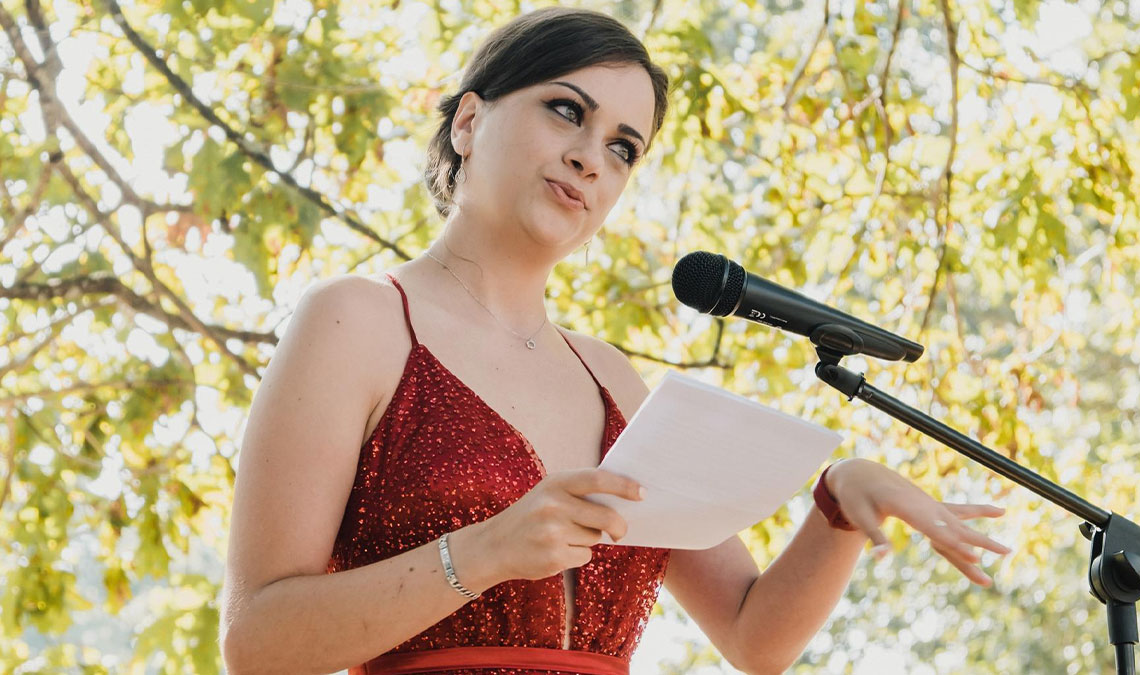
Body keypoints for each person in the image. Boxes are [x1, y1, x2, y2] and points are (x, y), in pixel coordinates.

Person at [219, 8, 1011, 675]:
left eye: (623, 147)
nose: (589, 158)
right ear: (468, 121)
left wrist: (841, 500)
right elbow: (255, 639)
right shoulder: (355, 320)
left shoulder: (612, 380)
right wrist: (484, 553)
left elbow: (751, 631)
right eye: (568, 110)